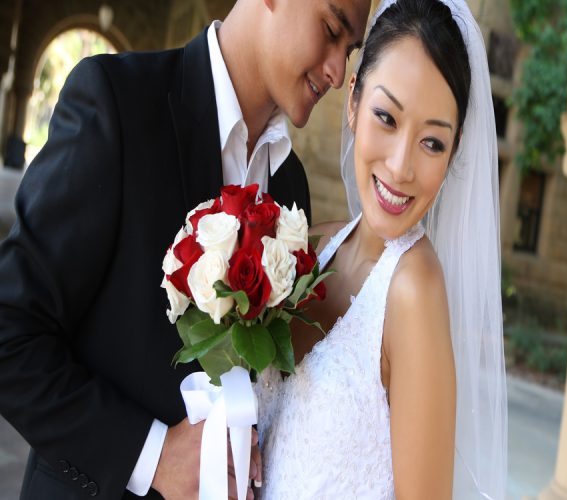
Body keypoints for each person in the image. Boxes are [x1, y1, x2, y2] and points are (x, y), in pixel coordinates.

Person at [0, 0, 369, 498]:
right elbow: (9, 329)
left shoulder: (290, 187)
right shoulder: (117, 101)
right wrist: (152, 457)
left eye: (350, 50)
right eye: (330, 30)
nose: (336, 69)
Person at [255, 0, 507, 497]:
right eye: (387, 117)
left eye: (432, 143)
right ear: (353, 101)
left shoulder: (414, 290)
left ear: (454, 152)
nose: (400, 166)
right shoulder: (310, 246)